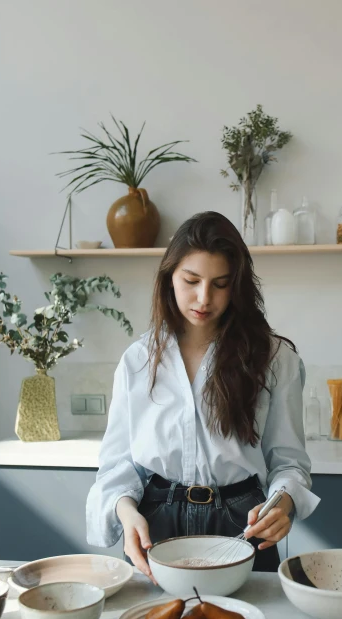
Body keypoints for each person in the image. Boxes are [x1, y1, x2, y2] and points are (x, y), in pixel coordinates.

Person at [86, 211, 319, 582]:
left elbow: (289, 463)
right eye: (191, 280)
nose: (203, 298)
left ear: (237, 286)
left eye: (221, 284)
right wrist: (126, 512)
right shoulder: (138, 360)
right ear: (169, 278)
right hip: (157, 519)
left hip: (244, 522)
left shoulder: (275, 359)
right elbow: (118, 464)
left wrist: (284, 503)